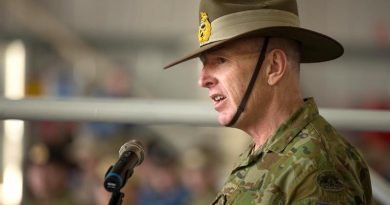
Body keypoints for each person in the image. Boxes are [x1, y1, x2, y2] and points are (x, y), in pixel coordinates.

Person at [164, 0, 374, 204]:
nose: (203, 80)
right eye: (204, 63)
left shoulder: (316, 168)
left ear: (274, 67)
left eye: (221, 60)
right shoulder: (264, 152)